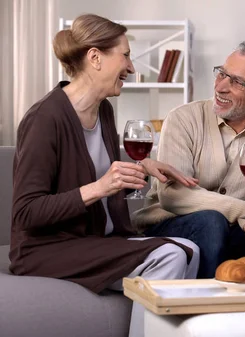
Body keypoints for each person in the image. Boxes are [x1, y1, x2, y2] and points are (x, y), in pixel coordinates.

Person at [9, 14, 201, 337]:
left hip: (93, 240)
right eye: (125, 55)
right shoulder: (45, 119)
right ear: (95, 57)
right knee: (169, 255)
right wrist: (99, 188)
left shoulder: (104, 111)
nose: (131, 67)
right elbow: (26, 212)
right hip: (47, 249)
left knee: (190, 249)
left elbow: (97, 178)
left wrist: (140, 170)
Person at [132, 40, 245, 278]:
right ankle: (207, 311)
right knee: (212, 221)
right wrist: (243, 212)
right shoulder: (183, 118)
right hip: (172, 226)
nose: (221, 87)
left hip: (233, 232)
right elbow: (172, 195)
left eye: (236, 81)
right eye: (222, 74)